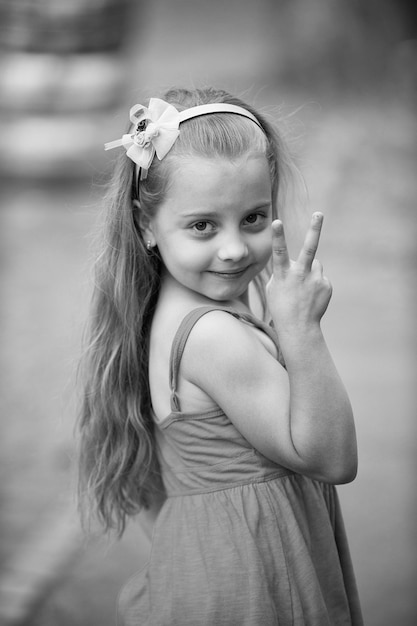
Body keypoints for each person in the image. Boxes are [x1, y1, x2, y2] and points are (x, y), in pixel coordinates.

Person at [77, 86, 363, 625]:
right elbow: (333, 459)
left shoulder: (158, 310)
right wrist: (301, 330)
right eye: (203, 225)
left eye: (253, 218)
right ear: (146, 225)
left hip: (205, 564)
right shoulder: (214, 337)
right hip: (249, 577)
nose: (234, 248)